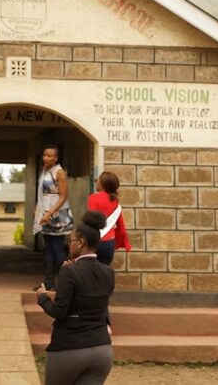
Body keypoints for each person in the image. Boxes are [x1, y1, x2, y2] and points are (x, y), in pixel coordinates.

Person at [36, 211, 115, 385]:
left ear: (80, 243)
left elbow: (60, 311)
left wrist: (42, 297)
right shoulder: (108, 272)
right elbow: (87, 298)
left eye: (70, 240)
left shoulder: (69, 271)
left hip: (70, 348)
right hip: (102, 350)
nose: (68, 245)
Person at [33, 145, 73, 290]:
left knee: (57, 248)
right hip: (44, 212)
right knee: (48, 249)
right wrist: (37, 209)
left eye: (49, 156)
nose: (46, 158)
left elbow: (63, 196)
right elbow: (41, 193)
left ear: (56, 158)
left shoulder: (59, 172)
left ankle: (64, 283)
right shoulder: (44, 171)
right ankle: (48, 283)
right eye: (44, 155)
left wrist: (50, 213)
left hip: (57, 215)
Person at [86, 171, 131, 266]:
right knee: (104, 273)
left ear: (102, 184)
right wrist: (118, 244)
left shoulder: (93, 198)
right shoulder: (115, 202)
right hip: (109, 243)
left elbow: (90, 222)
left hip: (95, 242)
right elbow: (121, 229)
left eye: (97, 180)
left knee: (91, 273)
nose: (96, 182)